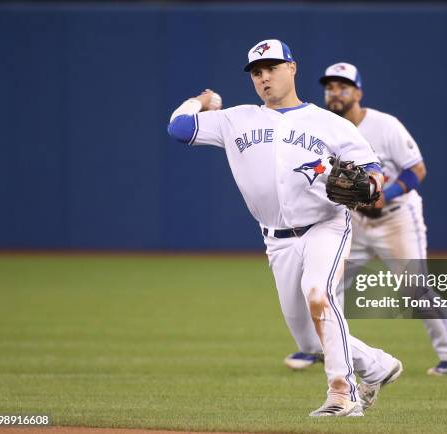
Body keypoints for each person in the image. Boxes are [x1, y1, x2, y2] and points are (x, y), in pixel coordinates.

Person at [167, 41, 403, 417]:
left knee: (319, 295)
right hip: (275, 239)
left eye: (272, 68)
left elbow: (373, 173)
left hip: (325, 225)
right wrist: (201, 101)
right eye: (257, 72)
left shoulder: (330, 124)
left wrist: (371, 187)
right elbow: (178, 128)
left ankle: (344, 396)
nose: (264, 77)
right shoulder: (235, 119)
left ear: (292, 68)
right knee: (309, 338)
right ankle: (376, 365)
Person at [284, 62, 447, 376]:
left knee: (415, 286)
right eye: (330, 87)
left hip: (395, 218)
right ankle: (320, 349)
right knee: (324, 283)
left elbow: (417, 170)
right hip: (352, 219)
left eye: (343, 87)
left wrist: (390, 193)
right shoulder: (323, 127)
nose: (335, 93)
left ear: (358, 92)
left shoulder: (386, 125)